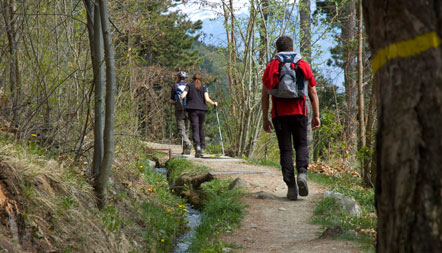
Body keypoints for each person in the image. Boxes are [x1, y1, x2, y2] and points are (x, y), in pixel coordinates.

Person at [261, 36, 320, 200]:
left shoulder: (272, 66)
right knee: (301, 145)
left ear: (277, 49)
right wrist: (316, 115)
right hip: (300, 112)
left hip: (279, 115)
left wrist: (265, 118)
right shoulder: (302, 64)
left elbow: (264, 95)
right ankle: (302, 173)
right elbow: (313, 91)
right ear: (292, 48)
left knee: (285, 150)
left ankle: (291, 187)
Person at [180, 72, 217, 158]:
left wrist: (181, 98)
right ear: (201, 79)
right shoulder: (204, 87)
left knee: (195, 129)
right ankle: (202, 147)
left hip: (192, 110)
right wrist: (214, 103)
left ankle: (197, 147)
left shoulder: (189, 86)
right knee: (201, 128)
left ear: (193, 79)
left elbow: (183, 95)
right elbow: (207, 99)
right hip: (202, 110)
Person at [169, 71, 192, 155]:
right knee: (187, 129)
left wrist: (171, 102)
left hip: (179, 110)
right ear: (185, 78)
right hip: (189, 110)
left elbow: (172, 99)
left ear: (178, 78)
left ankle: (187, 143)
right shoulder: (188, 86)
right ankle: (186, 150)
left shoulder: (175, 86)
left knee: (181, 129)